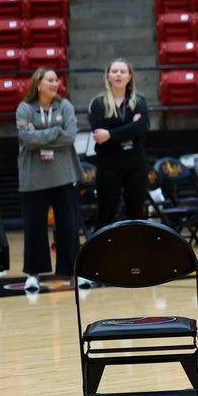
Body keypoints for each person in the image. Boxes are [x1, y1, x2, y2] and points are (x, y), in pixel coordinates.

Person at [16, 67, 83, 292]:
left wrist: (42, 135)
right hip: (33, 177)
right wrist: (56, 131)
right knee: (34, 226)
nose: (55, 84)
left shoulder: (65, 106)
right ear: (38, 84)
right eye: (50, 80)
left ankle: (73, 273)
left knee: (68, 226)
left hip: (63, 174)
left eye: (57, 80)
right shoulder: (25, 108)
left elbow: (70, 136)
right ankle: (33, 275)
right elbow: (27, 139)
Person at [89, 59, 151, 228]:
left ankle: (134, 254)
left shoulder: (139, 101)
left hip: (135, 165)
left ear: (129, 76)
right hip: (108, 165)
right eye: (114, 71)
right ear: (108, 76)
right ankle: (100, 254)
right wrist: (130, 128)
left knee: (136, 216)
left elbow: (142, 128)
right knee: (106, 215)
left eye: (122, 71)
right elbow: (98, 135)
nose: (118, 74)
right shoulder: (98, 103)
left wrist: (110, 133)